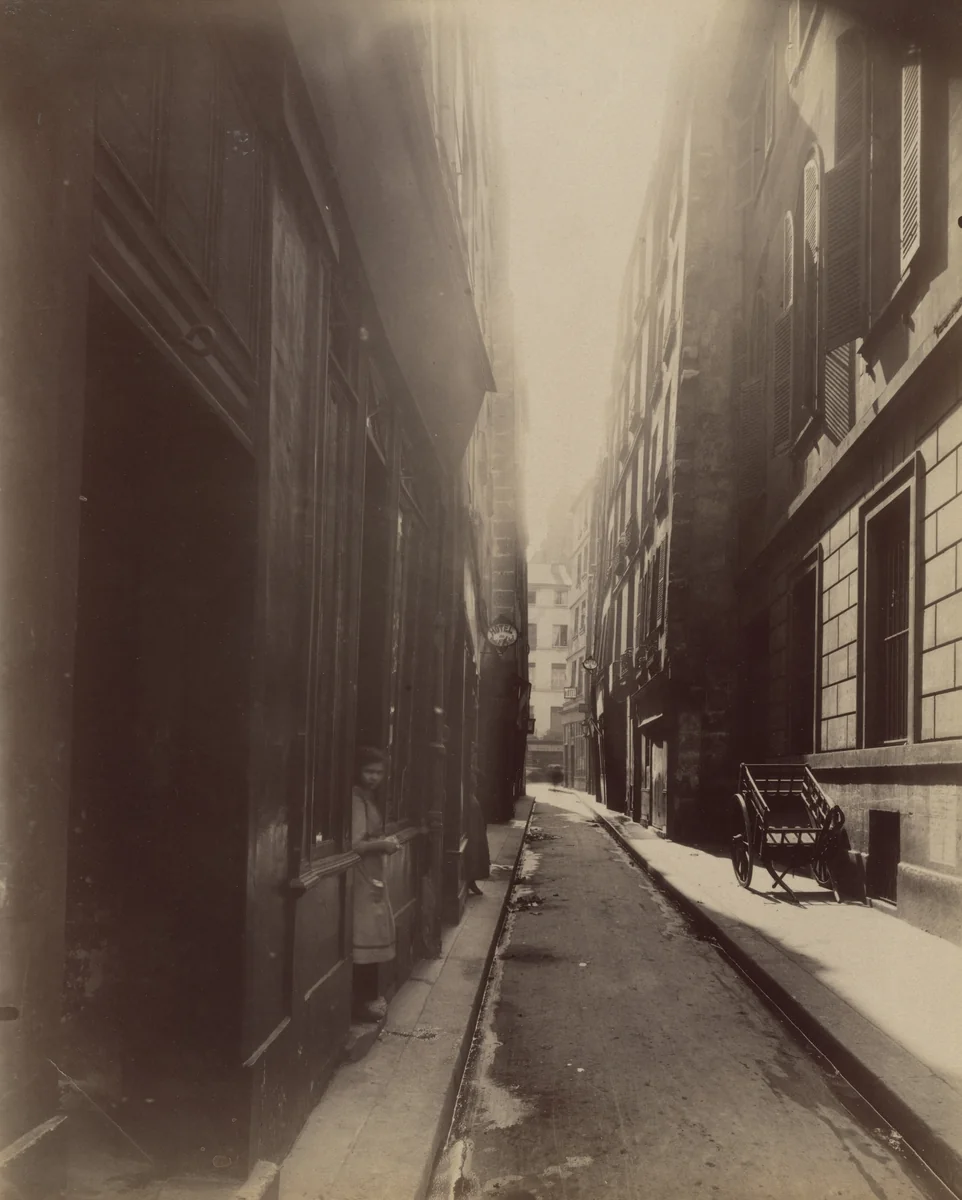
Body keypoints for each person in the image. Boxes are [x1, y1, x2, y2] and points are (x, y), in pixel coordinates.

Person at [351, 747, 399, 1023]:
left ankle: (368, 1000)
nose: (374, 777)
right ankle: (364, 1003)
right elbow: (357, 845)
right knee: (366, 937)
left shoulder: (368, 798)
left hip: (371, 872)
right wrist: (384, 844)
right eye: (369, 771)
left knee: (371, 935)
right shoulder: (356, 800)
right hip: (363, 874)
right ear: (359, 771)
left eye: (379, 772)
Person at [465, 793, 490, 897]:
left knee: (476, 856)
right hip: (472, 832)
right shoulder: (468, 798)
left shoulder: (471, 797)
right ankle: (470, 881)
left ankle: (471, 881)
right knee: (473, 857)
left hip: (476, 830)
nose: (476, 783)